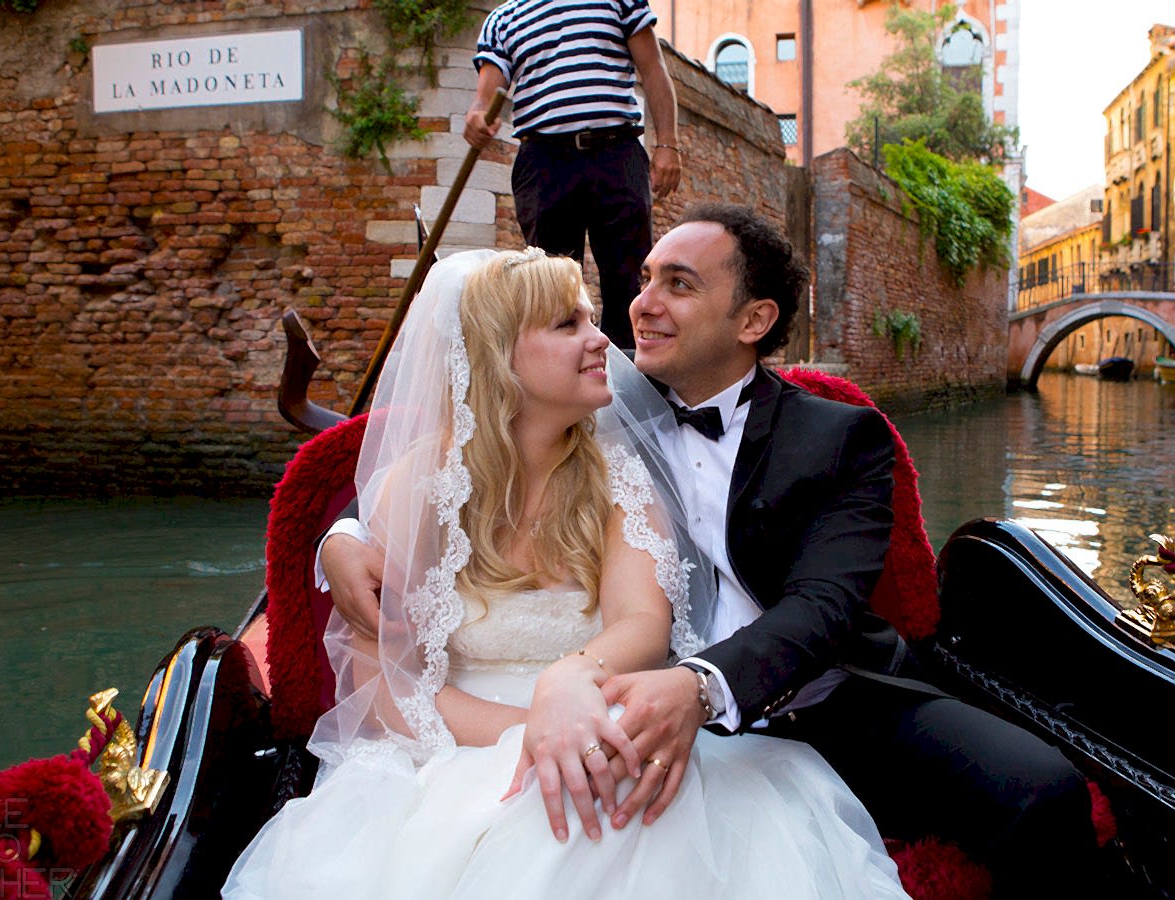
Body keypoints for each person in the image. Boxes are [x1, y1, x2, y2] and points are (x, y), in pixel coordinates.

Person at [322, 206, 1100, 898]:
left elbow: (822, 609)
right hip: (625, 709)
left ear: (753, 319)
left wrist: (697, 688)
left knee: (1042, 790)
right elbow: (458, 441)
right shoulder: (601, 408)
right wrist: (343, 536)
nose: (641, 305)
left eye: (679, 285)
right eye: (646, 277)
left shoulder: (840, 439)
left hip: (813, 701)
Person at [225, 248, 909, 898]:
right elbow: (388, 682)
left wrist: (573, 694)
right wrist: (532, 733)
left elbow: (643, 623)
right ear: (499, 358)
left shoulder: (619, 475)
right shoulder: (420, 483)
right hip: (450, 750)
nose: (601, 341)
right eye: (567, 324)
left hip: (607, 721)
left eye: (590, 318)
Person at [464, 0, 682, 350]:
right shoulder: (502, 20)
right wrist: (477, 115)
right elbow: (483, 99)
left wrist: (667, 145)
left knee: (628, 281)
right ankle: (564, 387)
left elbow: (654, 68)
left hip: (616, 153)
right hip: (544, 164)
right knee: (552, 287)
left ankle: (633, 388)